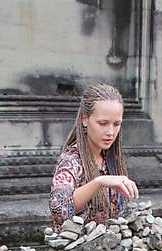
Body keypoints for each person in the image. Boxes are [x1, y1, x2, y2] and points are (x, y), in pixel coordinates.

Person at [49, 83, 139, 231]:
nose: (110, 132)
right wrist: (99, 182)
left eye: (116, 124)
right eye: (103, 123)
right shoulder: (71, 161)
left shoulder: (111, 158)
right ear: (85, 119)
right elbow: (59, 210)